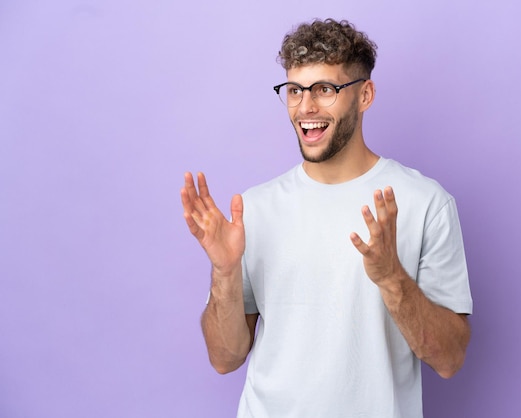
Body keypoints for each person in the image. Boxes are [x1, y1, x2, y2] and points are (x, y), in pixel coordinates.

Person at [181, 18, 472, 418]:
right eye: (295, 90)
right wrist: (225, 272)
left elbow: (449, 358)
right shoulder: (254, 209)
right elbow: (224, 358)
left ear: (365, 94)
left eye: (325, 89)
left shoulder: (426, 203)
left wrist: (391, 277)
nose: (306, 107)